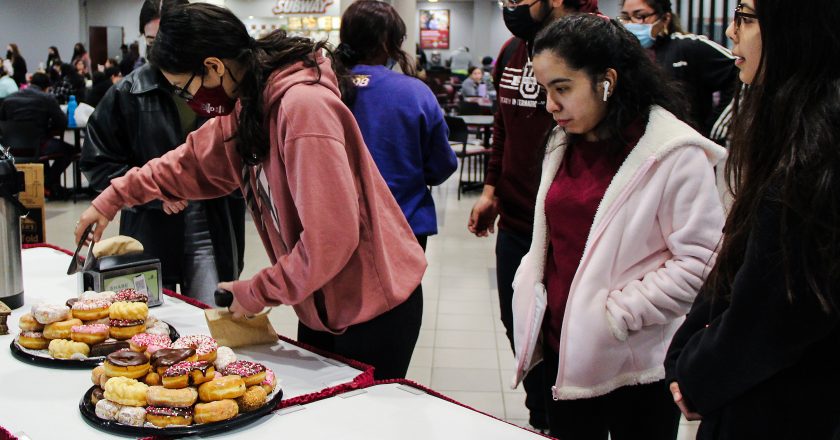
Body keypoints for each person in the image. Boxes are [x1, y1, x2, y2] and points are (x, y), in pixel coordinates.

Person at [75, 3, 427, 380]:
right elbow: (188, 162)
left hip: (375, 308)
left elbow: (331, 237)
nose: (187, 98)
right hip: (322, 304)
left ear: (213, 67)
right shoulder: (249, 107)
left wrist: (257, 291)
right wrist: (111, 199)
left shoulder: (303, 108)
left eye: (184, 87)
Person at [511, 15, 725, 439]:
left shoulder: (672, 153)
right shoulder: (562, 142)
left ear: (607, 81)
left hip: (634, 364)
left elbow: (700, 262)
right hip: (563, 350)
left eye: (562, 88)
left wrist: (616, 316)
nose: (550, 105)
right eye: (545, 90)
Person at [665, 1, 840, 438]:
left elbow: (776, 307)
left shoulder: (817, 154)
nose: (729, 31)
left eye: (745, 16)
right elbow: (738, 258)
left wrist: (698, 372)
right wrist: (686, 354)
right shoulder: (789, 122)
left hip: (787, 403)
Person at [467, 0, 599, 432]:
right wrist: (490, 191)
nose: (510, 5)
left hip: (575, 226)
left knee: (566, 334)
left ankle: (562, 420)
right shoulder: (511, 51)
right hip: (519, 222)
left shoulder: (596, 43)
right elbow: (502, 123)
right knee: (518, 322)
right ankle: (541, 415)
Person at [80, 0, 246, 304]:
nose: (160, 54)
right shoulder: (128, 92)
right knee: (152, 325)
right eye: (151, 42)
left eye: (166, 42)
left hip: (212, 221)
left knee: (209, 320)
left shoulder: (223, 90)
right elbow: (97, 160)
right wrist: (154, 196)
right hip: (150, 230)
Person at [335, 0, 457, 252]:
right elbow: (441, 166)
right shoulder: (414, 93)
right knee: (404, 293)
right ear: (386, 42)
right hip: (403, 225)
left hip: (337, 229)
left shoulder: (324, 88)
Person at [619, 0, 737, 135]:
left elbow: (738, 71)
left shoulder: (688, 47)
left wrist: (716, 128)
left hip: (689, 144)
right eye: (626, 18)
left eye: (640, 16)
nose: (632, 24)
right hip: (645, 145)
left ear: (665, 18)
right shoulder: (626, 54)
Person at [0, 72, 78, 200]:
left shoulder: (9, 99)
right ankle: (46, 183)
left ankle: (46, 186)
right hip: (38, 145)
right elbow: (62, 123)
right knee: (70, 150)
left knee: (45, 150)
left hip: (11, 148)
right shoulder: (47, 98)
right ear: (46, 87)